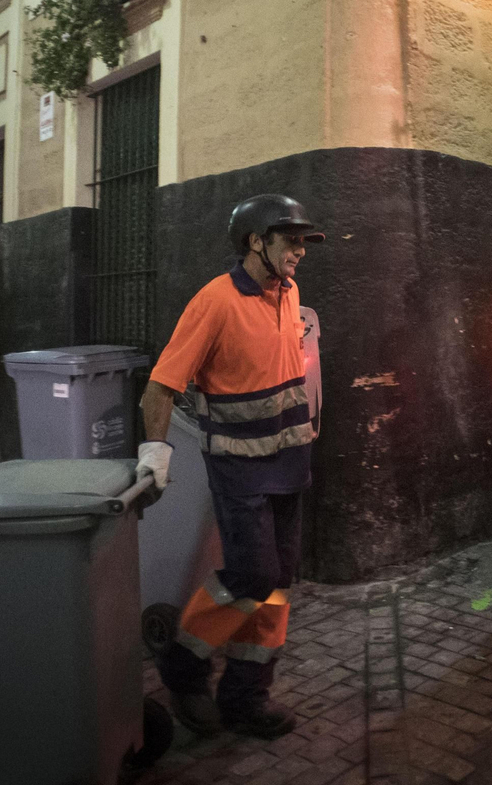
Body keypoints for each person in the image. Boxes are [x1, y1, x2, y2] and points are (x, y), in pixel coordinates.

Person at [135, 194, 324, 739]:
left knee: (279, 584)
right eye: (290, 241)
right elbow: (161, 385)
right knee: (252, 576)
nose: (299, 253)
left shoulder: (288, 293)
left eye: (302, 243)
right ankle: (183, 666)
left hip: (290, 463)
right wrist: (155, 452)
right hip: (239, 469)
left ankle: (246, 697)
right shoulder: (214, 302)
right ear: (255, 242)